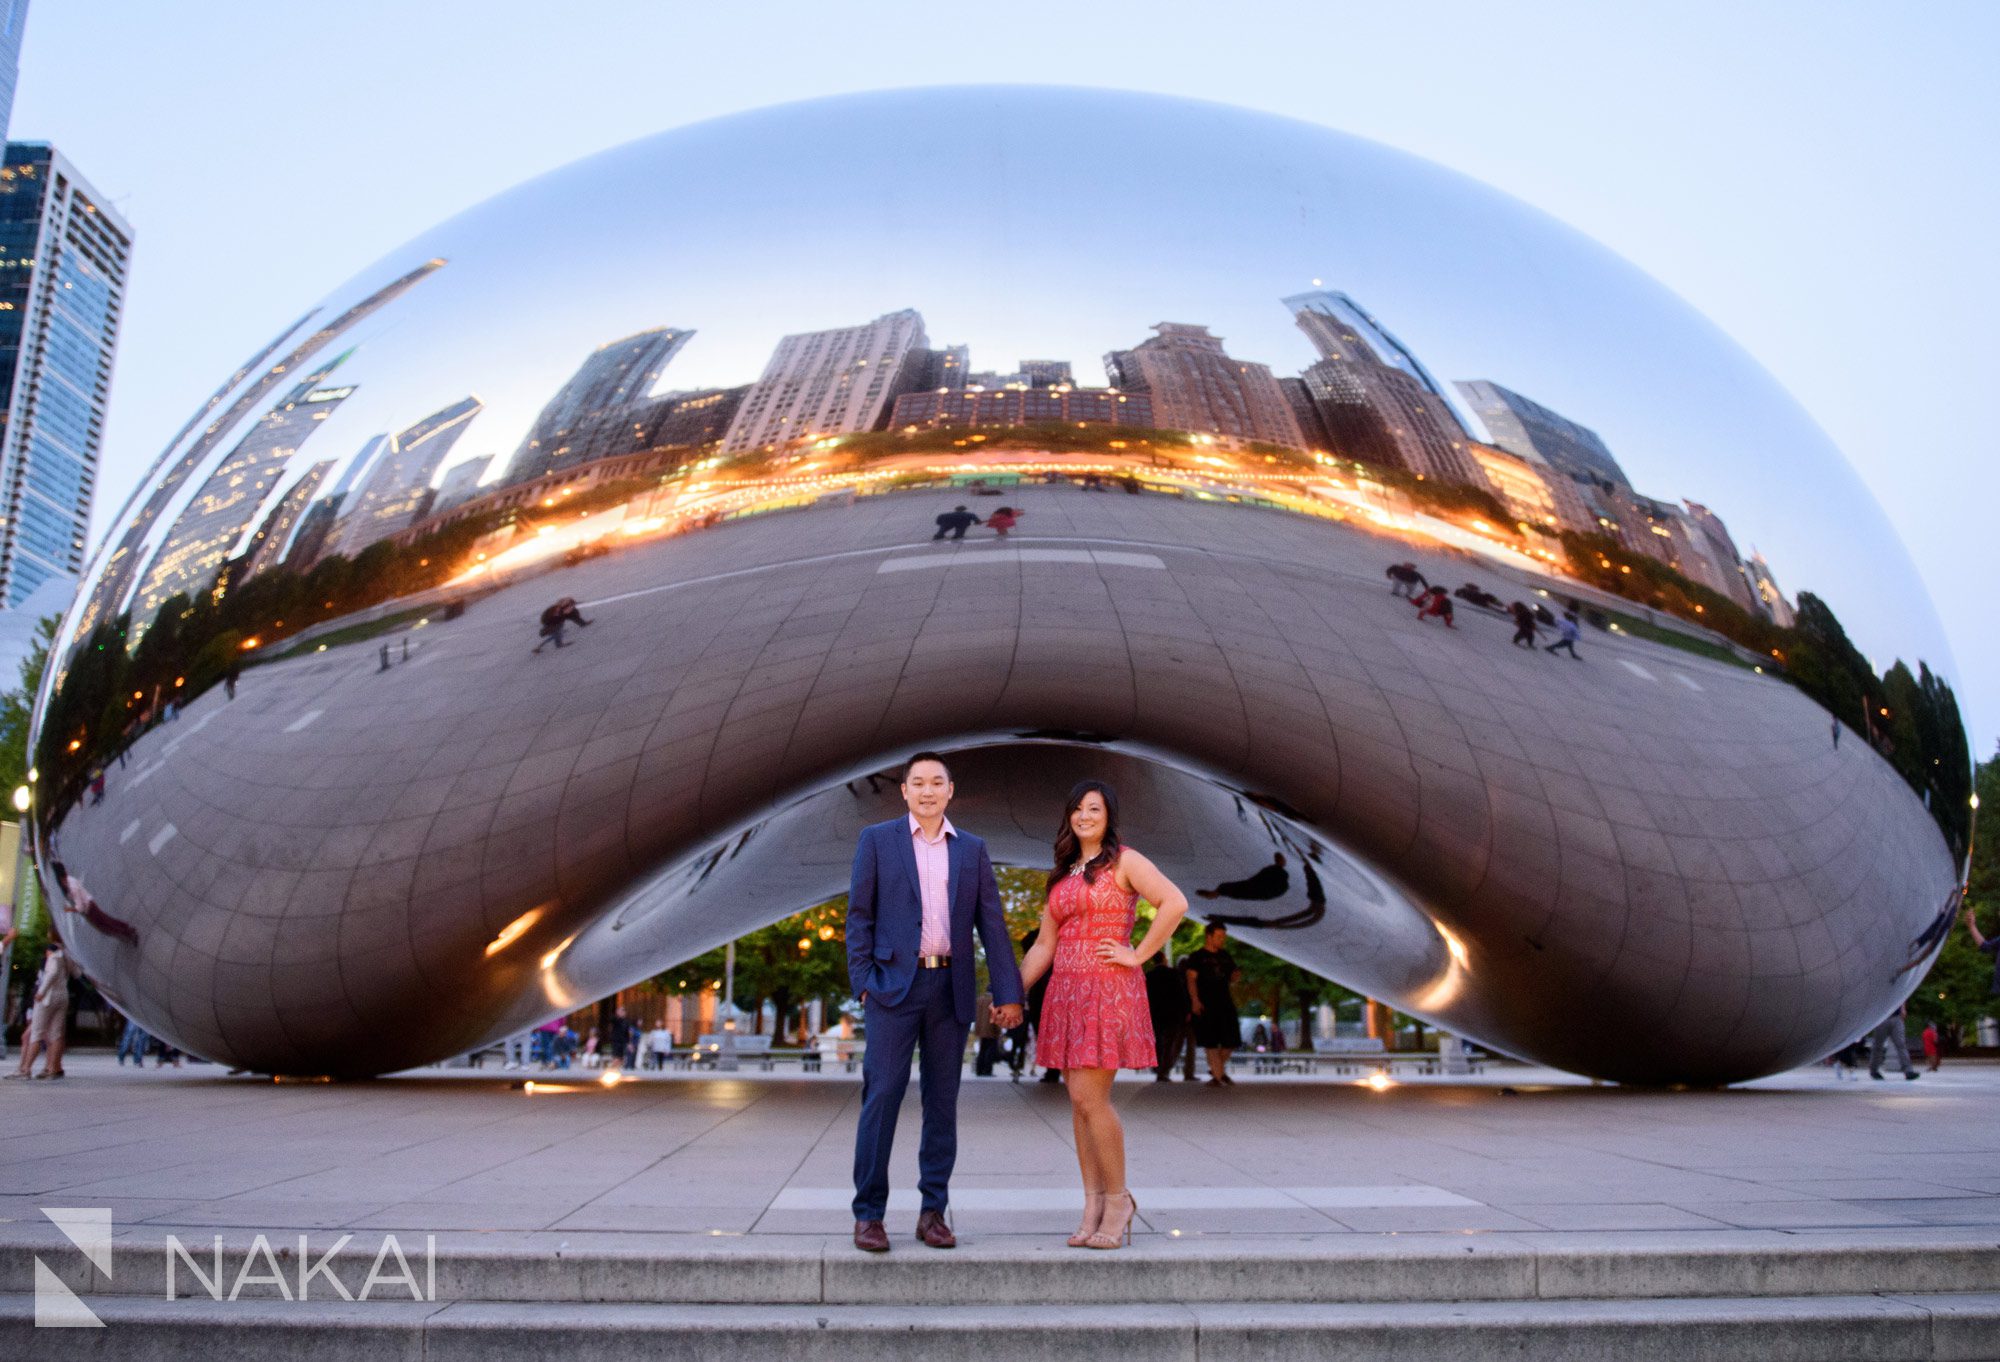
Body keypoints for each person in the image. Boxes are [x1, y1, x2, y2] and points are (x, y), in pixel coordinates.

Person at [847, 752, 1024, 1253]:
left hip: (950, 990)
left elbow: (992, 923)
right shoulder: (877, 842)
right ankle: (869, 1215)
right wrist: (863, 982)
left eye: (936, 783)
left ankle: (932, 1213)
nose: (927, 791)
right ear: (904, 791)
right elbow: (858, 916)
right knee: (882, 1095)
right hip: (891, 990)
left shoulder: (971, 849)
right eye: (917, 783)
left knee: (941, 1104)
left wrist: (1009, 993)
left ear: (950, 791)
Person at [1018, 780, 1188, 1250]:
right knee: (1077, 1101)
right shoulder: (1062, 875)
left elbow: (1175, 903)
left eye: (1094, 808)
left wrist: (1139, 954)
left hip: (1108, 990)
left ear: (1109, 815)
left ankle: (1118, 1200)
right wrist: (1010, 992)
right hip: (1066, 994)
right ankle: (1093, 1201)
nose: (1085, 816)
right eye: (1077, 809)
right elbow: (1044, 945)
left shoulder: (1127, 861)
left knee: (1092, 1099)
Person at [9, 928, 80, 1079]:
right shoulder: (68, 954)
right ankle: (53, 1069)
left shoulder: (53, 953)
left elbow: (52, 973)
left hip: (48, 997)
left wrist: (42, 991)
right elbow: (77, 974)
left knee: (36, 1033)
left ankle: (26, 1069)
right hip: (63, 995)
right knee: (56, 1034)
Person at [1185, 924, 1241, 1086]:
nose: (1222, 940)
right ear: (1209, 936)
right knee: (1210, 1042)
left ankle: (1218, 1070)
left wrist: (1236, 976)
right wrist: (1195, 1000)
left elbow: (1232, 977)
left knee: (1231, 1041)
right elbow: (1191, 980)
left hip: (1225, 1002)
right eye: (1219, 936)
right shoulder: (1197, 957)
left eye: (1224, 936)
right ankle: (1218, 1076)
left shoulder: (1225, 955)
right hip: (1205, 1004)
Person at [1145, 954, 1190, 1082]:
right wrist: (1186, 1010)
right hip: (1172, 1013)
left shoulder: (1149, 975)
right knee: (1170, 1042)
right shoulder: (1173, 974)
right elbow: (1181, 993)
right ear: (1165, 960)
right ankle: (1164, 1069)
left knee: (1157, 1040)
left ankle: (1158, 1066)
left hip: (1155, 1013)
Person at [1868, 1004, 1919, 1081]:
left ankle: (1908, 1071)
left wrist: (1903, 1008)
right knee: (1878, 1046)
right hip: (1882, 1016)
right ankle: (1874, 1070)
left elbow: (1901, 995)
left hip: (1896, 1016)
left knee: (1901, 1044)